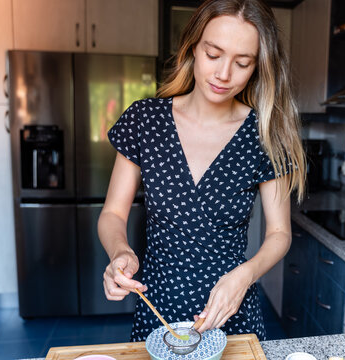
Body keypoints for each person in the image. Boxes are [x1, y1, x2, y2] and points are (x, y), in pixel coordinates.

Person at [98, 0, 306, 342]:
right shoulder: (146, 120)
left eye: (242, 63)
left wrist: (245, 276)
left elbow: (280, 234)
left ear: (257, 67)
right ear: (193, 47)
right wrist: (120, 251)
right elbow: (112, 213)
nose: (224, 74)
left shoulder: (267, 133)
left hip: (232, 313)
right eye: (213, 54)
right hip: (158, 307)